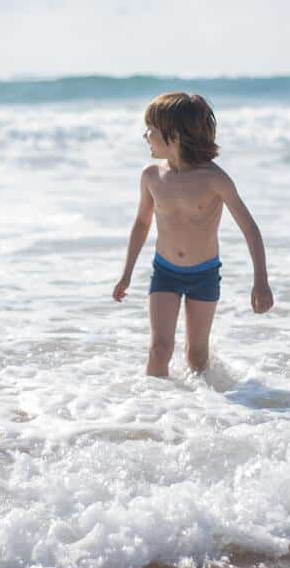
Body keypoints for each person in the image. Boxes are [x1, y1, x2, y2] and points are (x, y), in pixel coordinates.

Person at [112, 92, 273, 377]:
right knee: (159, 349)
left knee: (196, 356)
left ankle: (201, 409)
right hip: (165, 272)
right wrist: (126, 274)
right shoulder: (151, 177)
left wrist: (261, 281)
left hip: (204, 274)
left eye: (151, 129)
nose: (145, 135)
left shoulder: (214, 179)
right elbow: (140, 224)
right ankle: (152, 409)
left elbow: (250, 228)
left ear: (174, 135)